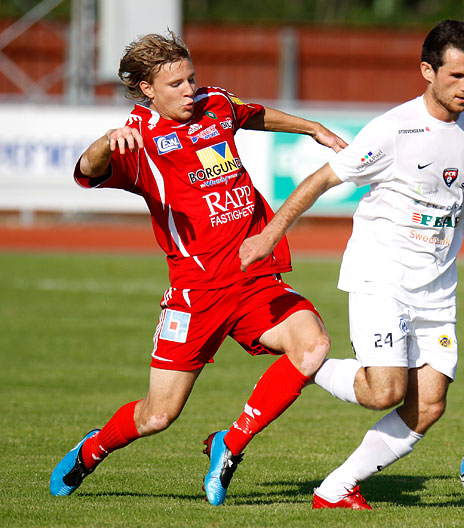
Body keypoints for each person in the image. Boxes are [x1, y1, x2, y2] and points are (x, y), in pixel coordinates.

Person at [239, 19, 464, 510]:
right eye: (456, 77)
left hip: (437, 288)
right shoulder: (392, 130)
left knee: (428, 404)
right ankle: (309, 362)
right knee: (384, 391)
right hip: (380, 275)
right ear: (427, 70)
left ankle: (335, 488)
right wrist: (270, 233)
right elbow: (322, 179)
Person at [49, 32, 347, 506]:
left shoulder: (215, 104)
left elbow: (255, 114)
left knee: (313, 346)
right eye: (177, 84)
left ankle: (230, 444)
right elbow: (86, 170)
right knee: (157, 416)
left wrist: (309, 127)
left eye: (191, 78)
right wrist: (107, 141)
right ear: (148, 89)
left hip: (253, 281)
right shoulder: (139, 139)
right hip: (196, 294)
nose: (191, 90)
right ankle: (93, 449)